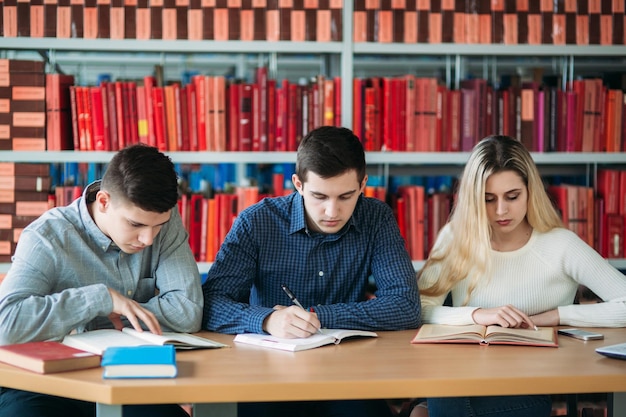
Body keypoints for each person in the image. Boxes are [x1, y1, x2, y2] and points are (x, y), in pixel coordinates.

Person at [202, 125, 421, 417]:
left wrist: (320, 316)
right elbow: (211, 304)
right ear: (298, 183)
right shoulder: (256, 222)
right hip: (266, 376)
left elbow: (405, 305)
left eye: (346, 196)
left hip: (346, 376)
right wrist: (268, 319)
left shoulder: (376, 218)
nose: (332, 212)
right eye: (320, 196)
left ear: (363, 184)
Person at [412, 135, 626, 417]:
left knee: (441, 404)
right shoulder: (457, 238)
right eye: (488, 199)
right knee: (444, 396)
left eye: (512, 197)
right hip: (465, 378)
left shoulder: (560, 245)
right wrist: (479, 315)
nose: (501, 210)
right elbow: (420, 309)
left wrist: (555, 316)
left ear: (530, 191)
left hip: (530, 387)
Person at [0, 144, 203, 417]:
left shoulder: (161, 221)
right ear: (104, 202)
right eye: (135, 225)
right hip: (45, 383)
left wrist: (90, 320)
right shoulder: (46, 236)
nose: (149, 239)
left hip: (131, 375)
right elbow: (6, 325)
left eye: (158, 226)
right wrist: (99, 299)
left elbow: (187, 310)